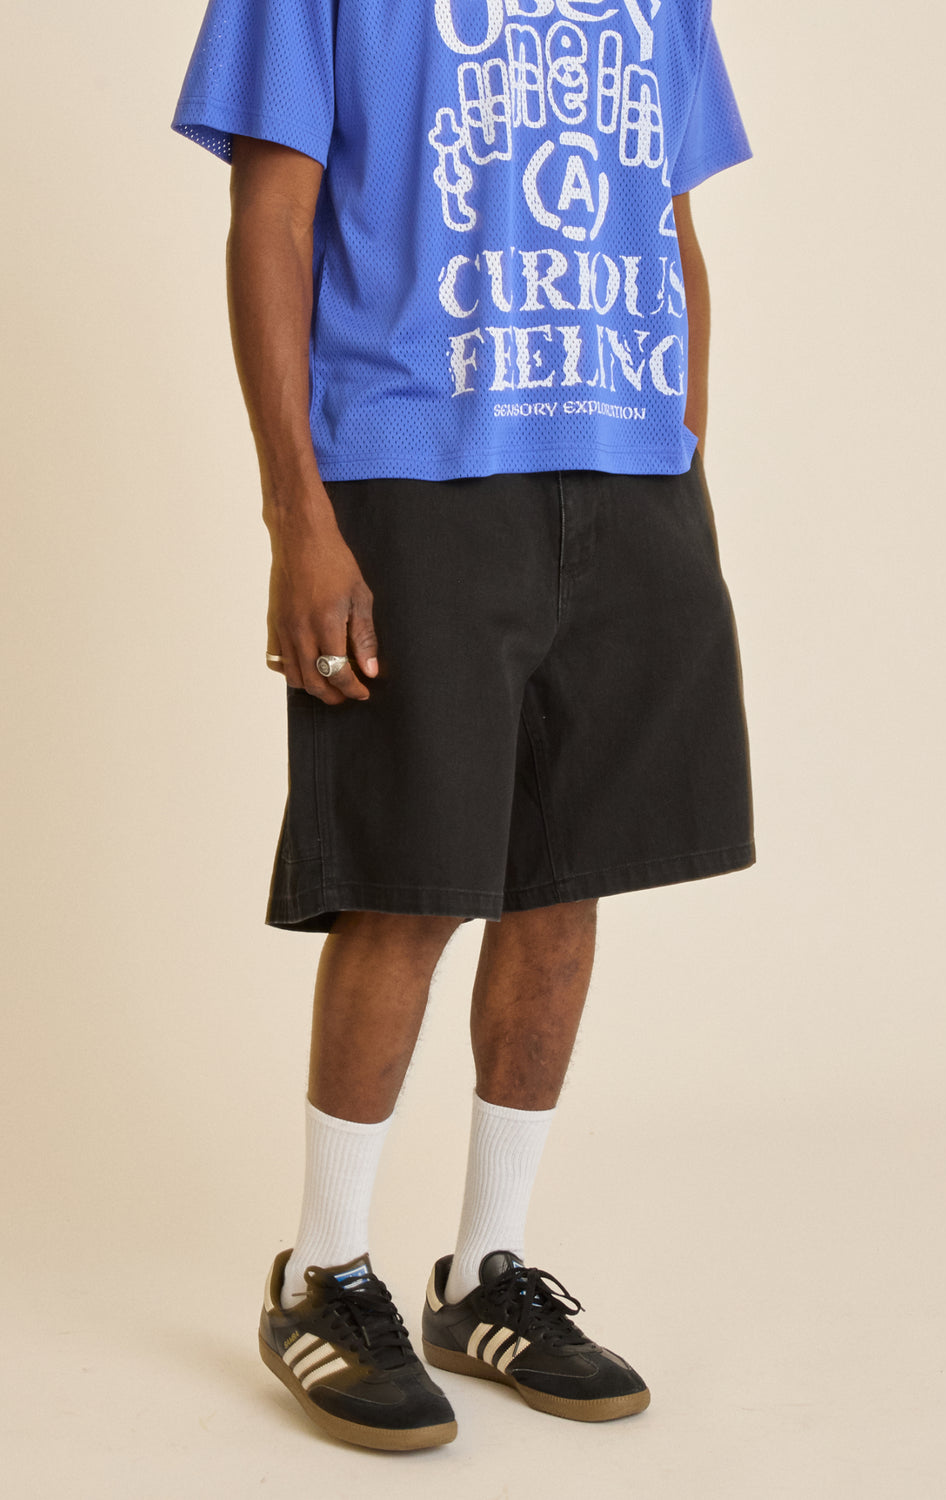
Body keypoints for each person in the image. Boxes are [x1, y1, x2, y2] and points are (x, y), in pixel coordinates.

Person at [172, 0, 755, 1453]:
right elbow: (270, 222)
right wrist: (298, 517)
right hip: (415, 460)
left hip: (626, 469)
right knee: (409, 881)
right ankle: (320, 1276)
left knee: (566, 878)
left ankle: (486, 1272)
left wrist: (679, 448)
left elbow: (672, 217)